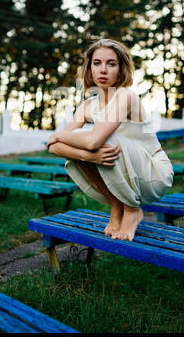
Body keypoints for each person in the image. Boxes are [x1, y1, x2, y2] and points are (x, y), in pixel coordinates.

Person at [47, 39, 174, 241]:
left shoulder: (125, 96)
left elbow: (91, 141)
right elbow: (54, 148)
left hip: (154, 173)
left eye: (111, 64)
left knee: (98, 139)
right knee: (79, 149)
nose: (103, 70)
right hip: (124, 169)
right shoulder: (88, 105)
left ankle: (132, 210)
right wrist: (85, 156)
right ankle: (117, 204)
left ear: (121, 69)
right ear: (89, 69)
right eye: (97, 63)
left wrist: (59, 135)